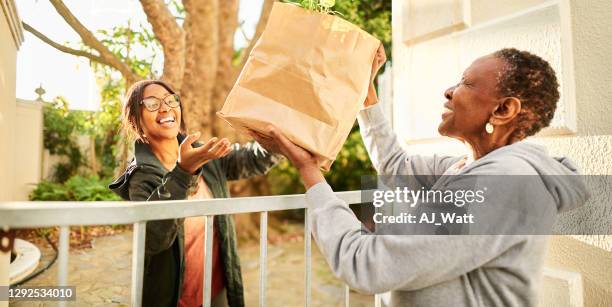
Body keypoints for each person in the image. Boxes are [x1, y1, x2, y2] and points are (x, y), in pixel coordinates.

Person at [251, 46, 589, 306]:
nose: (449, 90)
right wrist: (367, 96)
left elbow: (365, 262)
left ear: (503, 110)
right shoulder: (470, 167)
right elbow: (396, 166)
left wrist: (310, 173)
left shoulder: (499, 185)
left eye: (467, 83)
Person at [109, 80, 281, 307]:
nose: (165, 108)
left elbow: (252, 159)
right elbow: (153, 239)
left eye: (171, 100)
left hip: (216, 289)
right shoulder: (141, 175)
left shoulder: (202, 154)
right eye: (151, 103)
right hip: (173, 298)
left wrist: (277, 137)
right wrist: (183, 172)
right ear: (136, 120)